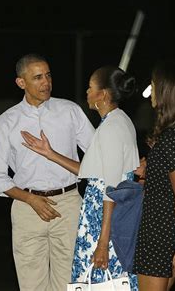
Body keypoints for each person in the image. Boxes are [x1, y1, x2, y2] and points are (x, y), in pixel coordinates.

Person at [20, 65, 140, 290]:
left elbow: (110, 187)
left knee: (104, 283)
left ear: (102, 95)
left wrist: (103, 241)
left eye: (90, 87)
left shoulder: (112, 127)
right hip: (103, 219)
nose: (86, 92)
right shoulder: (115, 121)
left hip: (103, 223)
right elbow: (92, 171)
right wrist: (50, 153)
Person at [0, 53, 95, 290]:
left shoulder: (69, 110)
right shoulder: (6, 122)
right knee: (31, 283)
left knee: (69, 282)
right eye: (37, 77)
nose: (45, 82)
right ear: (21, 83)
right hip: (27, 207)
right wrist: (29, 199)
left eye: (48, 75)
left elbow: (97, 154)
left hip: (67, 203)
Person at [133, 61, 175, 291]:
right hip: (173, 229)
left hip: (161, 232)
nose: (151, 90)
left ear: (167, 91)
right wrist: (147, 172)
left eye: (154, 85)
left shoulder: (171, 138)